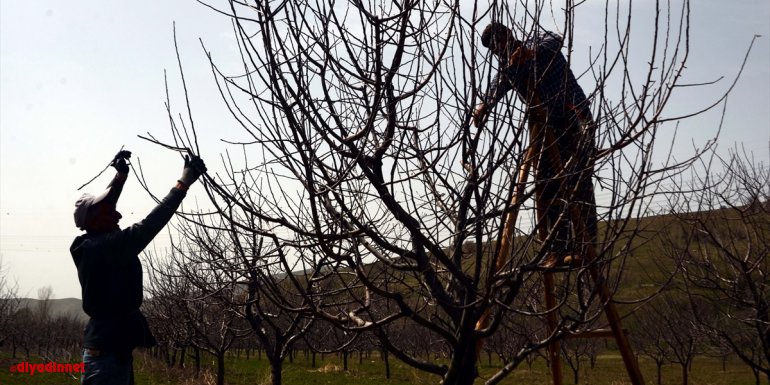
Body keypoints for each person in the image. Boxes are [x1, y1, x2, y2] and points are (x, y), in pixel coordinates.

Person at [71, 150, 206, 384]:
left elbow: (105, 207)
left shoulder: (89, 244)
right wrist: (184, 182)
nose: (118, 213)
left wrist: (120, 177)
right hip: (107, 362)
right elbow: (150, 225)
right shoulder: (105, 248)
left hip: (111, 353)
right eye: (108, 210)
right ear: (93, 219)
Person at [472, 23, 597, 268]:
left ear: (508, 34)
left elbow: (555, 39)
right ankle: (559, 250)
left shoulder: (538, 41)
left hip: (574, 117)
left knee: (578, 182)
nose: (501, 53)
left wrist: (530, 52)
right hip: (548, 129)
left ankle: (585, 249)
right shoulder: (510, 68)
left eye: (501, 46)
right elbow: (498, 85)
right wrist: (484, 105)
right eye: (496, 52)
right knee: (546, 186)